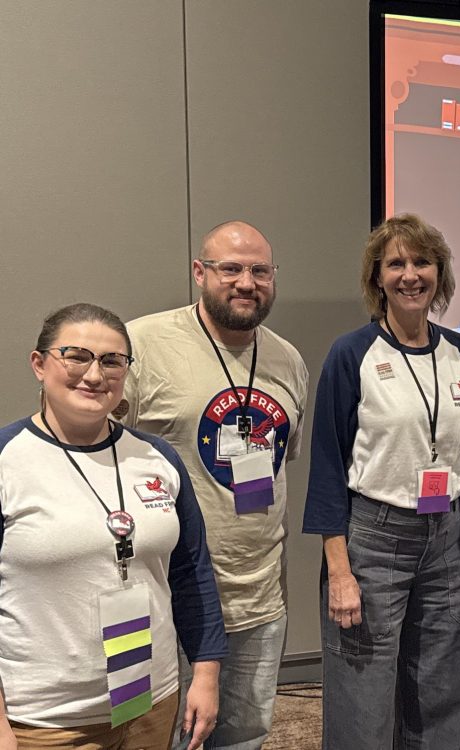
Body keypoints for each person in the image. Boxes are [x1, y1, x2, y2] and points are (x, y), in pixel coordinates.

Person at [303, 213, 460, 749]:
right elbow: (327, 466)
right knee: (362, 694)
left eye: (422, 262)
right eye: (396, 263)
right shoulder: (352, 354)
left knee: (440, 689)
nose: (410, 274)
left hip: (446, 537)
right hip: (373, 538)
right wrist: (339, 573)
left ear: (440, 274)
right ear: (377, 278)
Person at [0, 303, 226, 750]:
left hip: (150, 700)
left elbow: (191, 572)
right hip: (45, 721)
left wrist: (205, 672)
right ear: (39, 364)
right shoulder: (8, 460)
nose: (94, 374)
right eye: (75, 356)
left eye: (111, 361)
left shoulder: (157, 457)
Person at [122, 221, 309, 750]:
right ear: (199, 273)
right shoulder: (144, 344)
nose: (246, 282)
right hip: (169, 591)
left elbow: (278, 461)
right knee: (161, 735)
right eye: (230, 268)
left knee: (244, 734)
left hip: (260, 593)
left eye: (259, 270)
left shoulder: (288, 359)